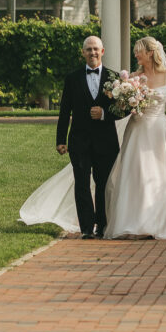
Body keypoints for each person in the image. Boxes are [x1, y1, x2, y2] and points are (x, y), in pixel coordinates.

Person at [103, 37, 166, 240]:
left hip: (159, 130)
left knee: (161, 174)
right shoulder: (134, 78)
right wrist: (127, 100)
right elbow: (124, 108)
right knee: (138, 174)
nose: (136, 55)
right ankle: (135, 221)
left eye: (139, 51)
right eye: (136, 51)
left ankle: (158, 220)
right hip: (137, 130)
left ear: (150, 53)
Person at [55, 35, 120, 238]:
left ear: (102, 52)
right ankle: (86, 228)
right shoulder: (72, 78)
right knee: (82, 183)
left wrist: (104, 114)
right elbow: (65, 110)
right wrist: (60, 140)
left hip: (106, 141)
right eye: (88, 49)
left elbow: (124, 109)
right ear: (83, 52)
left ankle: (102, 225)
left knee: (103, 185)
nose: (92, 52)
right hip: (79, 141)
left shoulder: (114, 77)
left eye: (95, 49)